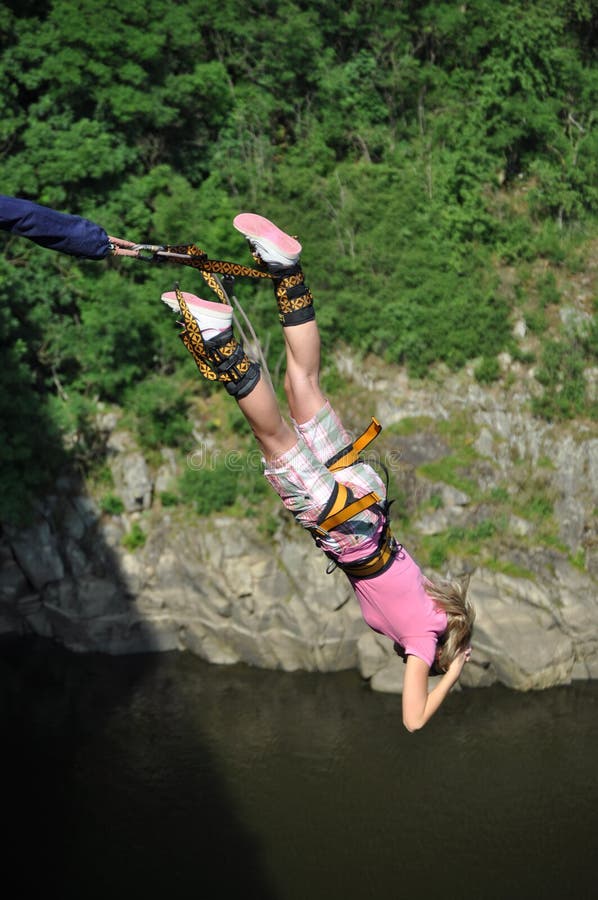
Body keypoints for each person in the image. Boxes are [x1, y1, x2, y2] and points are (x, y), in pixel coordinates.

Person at [161, 213, 475, 731]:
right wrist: (451, 674)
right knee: (275, 439)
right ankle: (219, 339)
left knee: (303, 383)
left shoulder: (439, 607)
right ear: (442, 653)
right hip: (343, 523)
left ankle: (287, 269)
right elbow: (414, 721)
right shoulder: (423, 641)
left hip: (367, 503)